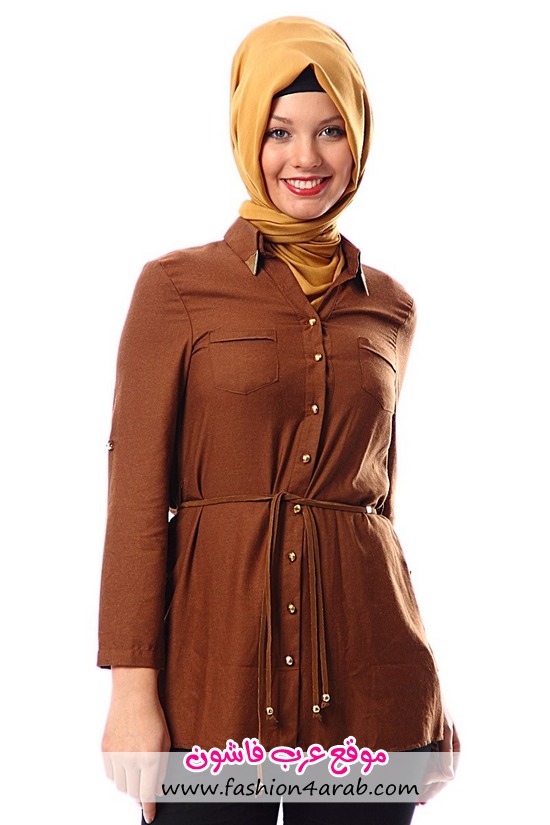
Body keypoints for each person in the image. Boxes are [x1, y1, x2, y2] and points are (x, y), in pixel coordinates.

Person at [98, 16, 459, 825]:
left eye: (331, 130)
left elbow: (377, 507)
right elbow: (135, 499)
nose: (307, 157)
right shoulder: (176, 288)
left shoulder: (391, 306)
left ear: (358, 140)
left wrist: (429, 709)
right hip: (213, 685)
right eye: (280, 130)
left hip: (372, 690)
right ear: (246, 135)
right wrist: (131, 691)